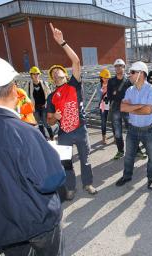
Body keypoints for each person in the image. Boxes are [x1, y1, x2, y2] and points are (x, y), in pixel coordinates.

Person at [0, 55, 65, 255]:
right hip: (36, 220)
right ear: (14, 89)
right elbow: (52, 179)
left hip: (0, 224)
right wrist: (49, 153)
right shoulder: (24, 132)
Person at [46, 23, 97, 200]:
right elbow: (49, 121)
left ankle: (88, 183)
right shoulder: (51, 96)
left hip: (80, 129)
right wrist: (54, 117)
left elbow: (76, 61)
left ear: (65, 74)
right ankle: (70, 188)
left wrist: (62, 42)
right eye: (53, 73)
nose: (56, 73)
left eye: (59, 70)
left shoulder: (73, 85)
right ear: (52, 79)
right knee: (66, 162)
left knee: (86, 159)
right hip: (64, 133)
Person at [115, 61, 152, 190]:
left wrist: (132, 109)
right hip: (133, 129)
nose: (129, 75)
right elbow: (123, 107)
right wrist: (140, 106)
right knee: (129, 155)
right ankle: (127, 176)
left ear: (141, 73)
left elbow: (148, 111)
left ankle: (151, 178)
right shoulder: (130, 90)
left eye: (132, 72)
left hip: (149, 130)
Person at [107, 58, 146, 160]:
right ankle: (120, 151)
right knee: (118, 132)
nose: (118, 68)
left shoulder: (129, 81)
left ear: (124, 68)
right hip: (116, 109)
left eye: (120, 66)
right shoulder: (111, 81)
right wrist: (115, 95)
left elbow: (134, 95)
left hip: (127, 109)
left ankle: (137, 150)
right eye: (116, 66)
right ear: (115, 68)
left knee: (132, 130)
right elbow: (109, 96)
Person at [24, 66, 54, 140]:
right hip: (35, 108)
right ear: (31, 75)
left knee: (46, 123)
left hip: (44, 107)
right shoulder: (28, 85)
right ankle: (44, 138)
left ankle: (52, 137)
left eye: (37, 74)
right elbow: (25, 96)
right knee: (40, 123)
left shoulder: (44, 83)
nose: (36, 75)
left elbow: (49, 94)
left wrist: (48, 104)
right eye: (34, 74)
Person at [98, 68, 111, 144]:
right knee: (103, 122)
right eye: (105, 78)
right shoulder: (99, 86)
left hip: (111, 105)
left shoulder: (111, 84)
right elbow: (98, 96)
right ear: (101, 78)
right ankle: (104, 137)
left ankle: (116, 137)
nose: (106, 79)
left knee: (113, 122)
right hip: (103, 106)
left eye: (107, 78)